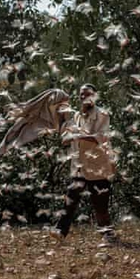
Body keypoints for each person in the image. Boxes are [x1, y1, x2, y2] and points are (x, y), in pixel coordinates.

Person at [50, 83, 118, 242]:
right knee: (71, 197)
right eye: (81, 95)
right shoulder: (76, 116)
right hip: (80, 166)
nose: (84, 97)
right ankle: (61, 230)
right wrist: (66, 135)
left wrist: (76, 136)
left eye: (87, 94)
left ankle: (108, 233)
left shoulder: (102, 115)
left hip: (98, 167)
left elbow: (100, 137)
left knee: (100, 204)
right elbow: (67, 136)